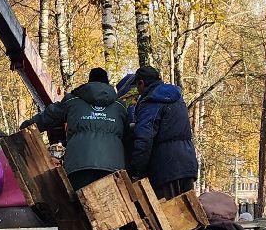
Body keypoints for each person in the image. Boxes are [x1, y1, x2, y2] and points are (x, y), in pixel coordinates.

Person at [34, 68, 129, 189]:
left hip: (78, 165)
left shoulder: (73, 100)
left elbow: (49, 116)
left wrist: (26, 127)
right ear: (107, 82)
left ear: (89, 82)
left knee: (82, 205)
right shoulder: (120, 106)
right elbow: (128, 136)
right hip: (113, 167)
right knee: (110, 205)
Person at [120, 65, 199, 199]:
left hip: (165, 169)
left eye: (137, 87)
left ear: (141, 83)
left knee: (168, 216)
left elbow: (144, 139)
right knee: (189, 214)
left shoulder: (151, 101)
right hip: (187, 165)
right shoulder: (177, 98)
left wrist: (136, 172)